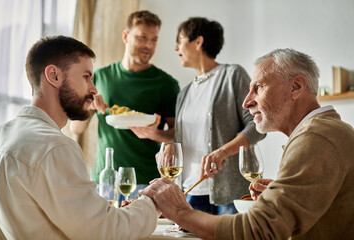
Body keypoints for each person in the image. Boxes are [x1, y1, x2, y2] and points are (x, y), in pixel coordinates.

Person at [140, 48, 354, 239]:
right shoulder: (324, 132)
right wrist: (283, 195)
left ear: (296, 86)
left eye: (258, 87)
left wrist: (180, 211)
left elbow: (259, 230)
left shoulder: (316, 138)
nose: (246, 102)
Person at [0, 35, 160, 239]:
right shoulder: (55, 147)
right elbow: (105, 231)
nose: (94, 89)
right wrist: (154, 202)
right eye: (86, 77)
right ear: (53, 75)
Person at [70, 10, 180, 200]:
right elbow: (76, 128)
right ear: (125, 36)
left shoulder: (166, 84)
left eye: (154, 40)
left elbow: (177, 133)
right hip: (106, 179)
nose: (148, 45)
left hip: (147, 181)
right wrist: (88, 107)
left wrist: (156, 134)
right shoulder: (100, 76)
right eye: (142, 37)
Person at [174, 17, 264, 214]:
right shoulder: (184, 93)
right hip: (191, 192)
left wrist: (223, 151)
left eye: (179, 40)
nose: (175, 48)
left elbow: (257, 126)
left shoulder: (233, 75)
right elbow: (184, 139)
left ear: (198, 42)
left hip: (229, 194)